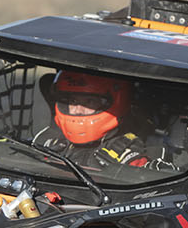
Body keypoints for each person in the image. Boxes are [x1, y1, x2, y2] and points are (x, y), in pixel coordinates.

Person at [33, 70, 180, 170]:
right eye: (73, 101)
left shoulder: (129, 156)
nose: (78, 110)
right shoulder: (50, 143)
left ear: (114, 103)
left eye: (89, 102)